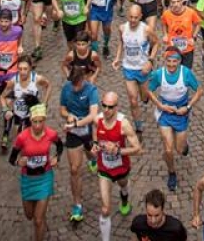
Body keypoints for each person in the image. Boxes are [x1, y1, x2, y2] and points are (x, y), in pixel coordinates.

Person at [147, 48, 203, 192]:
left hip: (181, 113)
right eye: (168, 61)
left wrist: (188, 107)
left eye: (174, 61)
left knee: (179, 149)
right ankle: (172, 172)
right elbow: (149, 90)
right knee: (168, 149)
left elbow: (199, 91)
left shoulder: (186, 73)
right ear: (164, 61)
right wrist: (159, 105)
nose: (171, 65)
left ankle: (184, 145)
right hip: (164, 113)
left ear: (179, 61)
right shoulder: (159, 74)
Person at [9, 102, 63, 241]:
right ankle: (41, 219)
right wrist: (17, 162)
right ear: (30, 120)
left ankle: (40, 231)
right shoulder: (22, 137)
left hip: (45, 177)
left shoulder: (51, 134)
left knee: (38, 220)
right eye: (35, 122)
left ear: (45, 120)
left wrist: (57, 157)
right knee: (29, 216)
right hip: (28, 179)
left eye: (41, 121)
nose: (38, 125)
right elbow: (12, 158)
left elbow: (60, 145)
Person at [93, 93, 142, 240]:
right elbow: (95, 135)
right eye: (104, 106)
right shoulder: (97, 119)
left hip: (121, 167)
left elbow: (137, 148)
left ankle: (124, 196)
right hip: (104, 169)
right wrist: (95, 145)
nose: (106, 109)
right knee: (105, 209)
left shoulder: (124, 124)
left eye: (110, 107)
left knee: (123, 185)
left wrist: (118, 150)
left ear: (116, 107)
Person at [60, 64, 100, 223]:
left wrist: (77, 123)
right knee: (75, 169)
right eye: (72, 84)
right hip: (73, 134)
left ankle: (92, 159)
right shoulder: (66, 89)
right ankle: (77, 205)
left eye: (77, 84)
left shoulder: (92, 90)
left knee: (90, 153)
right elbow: (61, 110)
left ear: (83, 79)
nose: (75, 88)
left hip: (89, 130)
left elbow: (93, 115)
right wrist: (68, 115)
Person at [113, 5, 158, 135]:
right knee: (133, 100)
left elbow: (156, 43)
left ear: (140, 17)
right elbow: (122, 43)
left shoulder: (147, 30)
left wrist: (150, 61)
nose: (132, 20)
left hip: (143, 69)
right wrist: (117, 58)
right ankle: (138, 126)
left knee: (144, 97)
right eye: (130, 17)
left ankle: (145, 97)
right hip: (128, 68)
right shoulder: (122, 28)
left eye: (135, 18)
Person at [1, 55, 51, 152]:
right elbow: (2, 96)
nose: (22, 72)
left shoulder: (37, 79)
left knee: (36, 139)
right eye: (20, 69)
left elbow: (49, 86)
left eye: (25, 69)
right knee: (21, 141)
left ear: (30, 68)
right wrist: (6, 109)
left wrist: (45, 103)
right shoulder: (13, 81)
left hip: (33, 116)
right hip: (18, 116)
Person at [161, 0, 201, 69]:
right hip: (173, 49)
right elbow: (163, 23)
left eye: (178, 1)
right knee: (174, 70)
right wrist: (165, 34)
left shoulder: (190, 12)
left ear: (182, 1)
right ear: (170, 3)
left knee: (186, 71)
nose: (176, 4)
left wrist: (194, 37)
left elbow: (198, 23)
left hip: (187, 49)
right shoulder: (166, 14)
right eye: (173, 2)